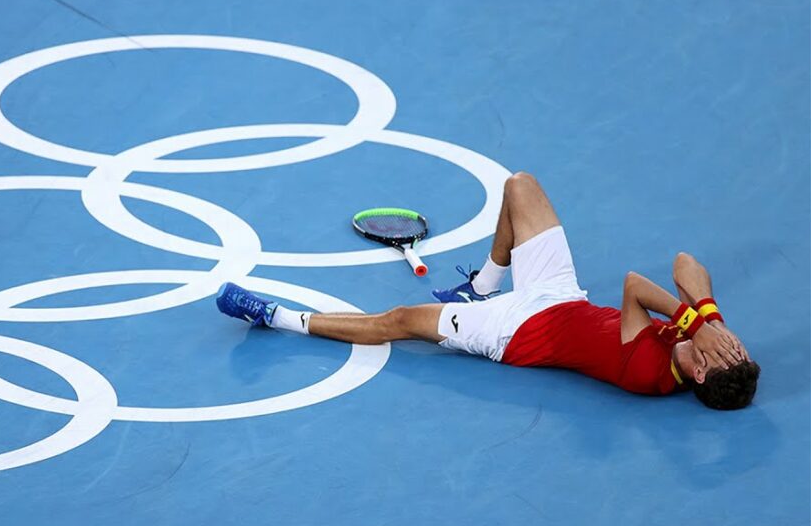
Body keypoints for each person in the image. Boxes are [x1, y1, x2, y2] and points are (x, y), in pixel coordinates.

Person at [216, 172, 760, 409]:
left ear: (705, 371)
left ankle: (274, 316)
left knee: (402, 320)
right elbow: (686, 263)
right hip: (561, 298)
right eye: (740, 345)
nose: (736, 343)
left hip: (517, 333)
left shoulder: (650, 373)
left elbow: (635, 286)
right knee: (520, 186)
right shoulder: (706, 342)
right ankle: (482, 284)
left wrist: (699, 323)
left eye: (731, 353)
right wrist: (710, 317)